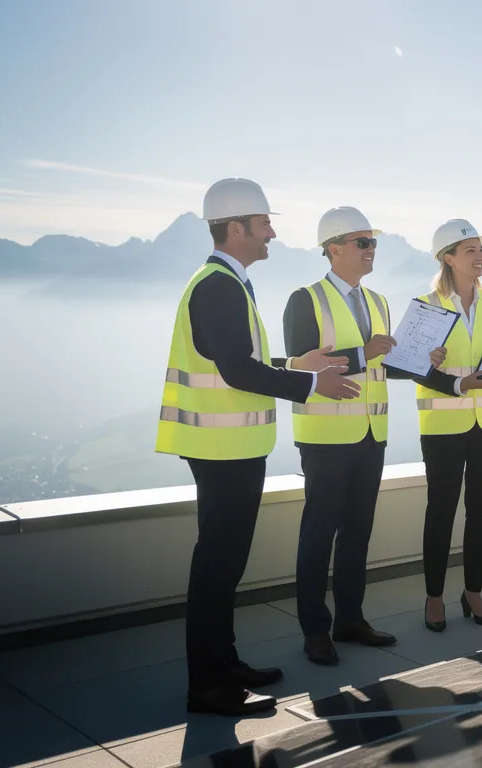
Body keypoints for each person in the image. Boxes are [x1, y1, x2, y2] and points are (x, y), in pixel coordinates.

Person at [155, 178, 359, 717]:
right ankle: (208, 687)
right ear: (237, 227)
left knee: (225, 565)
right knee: (217, 568)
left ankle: (225, 665)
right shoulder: (218, 286)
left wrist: (297, 365)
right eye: (265, 222)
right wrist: (313, 386)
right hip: (221, 450)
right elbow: (235, 370)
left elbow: (240, 361)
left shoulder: (228, 282)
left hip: (232, 447)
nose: (272, 232)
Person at [281, 206, 405, 665]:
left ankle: (350, 619)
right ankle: (315, 631)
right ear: (333, 249)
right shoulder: (305, 299)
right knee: (318, 534)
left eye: (373, 242)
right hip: (326, 438)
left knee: (357, 532)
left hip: (372, 433)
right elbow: (299, 368)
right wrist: (363, 352)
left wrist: (418, 360)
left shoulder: (378, 302)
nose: (371, 249)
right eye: (362, 242)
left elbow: (381, 364)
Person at [411, 219, 482, 632]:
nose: (480, 256)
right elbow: (410, 368)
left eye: (481, 249)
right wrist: (441, 371)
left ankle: (473, 592)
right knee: (440, 511)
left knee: (481, 510)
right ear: (448, 258)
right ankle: (435, 597)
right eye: (471, 250)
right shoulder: (425, 305)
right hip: (442, 426)